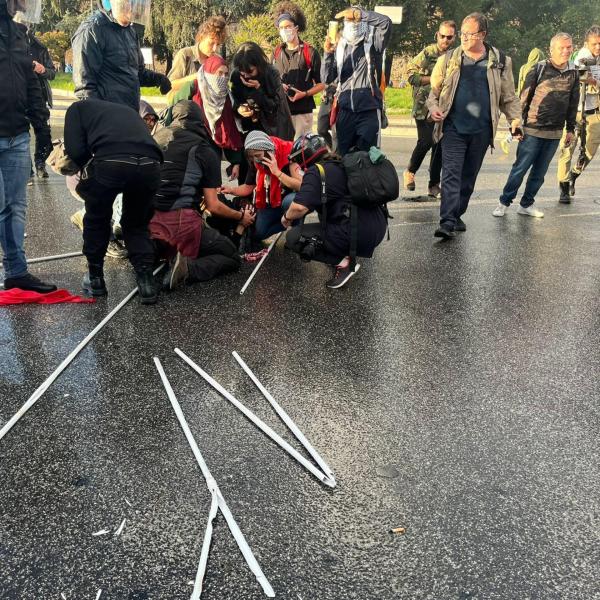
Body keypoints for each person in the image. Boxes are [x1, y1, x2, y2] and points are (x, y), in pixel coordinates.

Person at [427, 12, 521, 239]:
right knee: (450, 174)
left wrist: (515, 121)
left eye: (471, 34)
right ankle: (447, 221)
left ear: (483, 34)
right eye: (463, 33)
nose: (465, 38)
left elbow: (508, 97)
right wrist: (433, 108)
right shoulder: (448, 59)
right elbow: (434, 93)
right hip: (453, 128)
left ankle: (457, 213)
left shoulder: (500, 61)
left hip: (481, 131)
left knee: (468, 178)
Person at [64, 99, 164, 304]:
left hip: (112, 161)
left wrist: (90, 173)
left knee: (97, 218)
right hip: (151, 163)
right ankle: (146, 282)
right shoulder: (126, 110)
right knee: (137, 223)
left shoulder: (76, 110)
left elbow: (75, 151)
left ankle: (96, 279)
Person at [150, 100, 253, 289]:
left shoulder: (154, 138)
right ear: (201, 121)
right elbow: (213, 205)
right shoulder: (204, 149)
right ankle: (188, 268)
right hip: (181, 224)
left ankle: (153, 252)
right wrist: (241, 217)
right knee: (231, 256)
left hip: (144, 223)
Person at [1, 0, 56, 294]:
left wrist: (41, 126)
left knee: (15, 207)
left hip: (17, 134)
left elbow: (31, 82)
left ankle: (16, 271)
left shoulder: (18, 34)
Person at [283, 134, 387, 289]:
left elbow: (299, 207)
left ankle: (344, 264)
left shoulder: (316, 171)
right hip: (377, 227)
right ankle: (339, 252)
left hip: (357, 233)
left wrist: (286, 217)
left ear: (306, 156)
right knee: (324, 212)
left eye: (298, 159)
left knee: (293, 237)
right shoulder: (341, 162)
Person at [493, 33, 579, 219]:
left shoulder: (574, 72)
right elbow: (523, 98)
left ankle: (526, 204)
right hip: (532, 130)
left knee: (539, 174)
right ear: (551, 49)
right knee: (520, 169)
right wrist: (516, 125)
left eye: (569, 47)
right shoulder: (539, 69)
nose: (566, 51)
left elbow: (573, 102)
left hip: (555, 133)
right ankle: (504, 203)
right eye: (562, 47)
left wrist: (570, 129)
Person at [71, 0, 171, 113]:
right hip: (107, 117)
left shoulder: (129, 31)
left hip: (129, 112)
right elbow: (84, 87)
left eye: (134, 4)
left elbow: (136, 73)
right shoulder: (91, 31)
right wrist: (102, 117)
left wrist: (158, 79)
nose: (131, 9)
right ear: (110, 3)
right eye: (127, 3)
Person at [321, 6, 392, 155]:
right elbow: (326, 79)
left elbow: (386, 23)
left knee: (369, 159)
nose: (352, 23)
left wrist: (358, 14)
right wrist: (327, 54)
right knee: (343, 159)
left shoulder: (374, 43)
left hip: (368, 110)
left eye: (355, 20)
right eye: (348, 20)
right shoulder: (340, 48)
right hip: (345, 110)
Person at [165, 55, 244, 182]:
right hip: (190, 149)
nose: (223, 78)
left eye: (226, 74)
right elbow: (174, 112)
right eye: (219, 73)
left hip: (212, 153)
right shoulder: (193, 87)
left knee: (211, 189)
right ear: (209, 72)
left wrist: (236, 162)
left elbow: (229, 129)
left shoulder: (225, 96)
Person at [220, 130, 303, 243]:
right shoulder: (257, 160)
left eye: (258, 155)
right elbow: (248, 187)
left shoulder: (289, 153)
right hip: (272, 202)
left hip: (290, 199)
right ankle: (285, 222)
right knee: (258, 233)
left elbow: (301, 186)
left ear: (268, 149)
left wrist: (277, 172)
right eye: (252, 157)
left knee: (292, 201)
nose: (256, 159)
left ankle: (296, 229)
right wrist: (231, 190)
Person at [404, 20, 457, 197]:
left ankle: (434, 185)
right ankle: (410, 171)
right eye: (442, 36)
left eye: (449, 37)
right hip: (423, 106)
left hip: (444, 107)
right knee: (426, 141)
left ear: (454, 38)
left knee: (439, 145)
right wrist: (434, 79)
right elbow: (411, 76)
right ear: (437, 35)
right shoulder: (428, 53)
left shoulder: (456, 56)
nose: (445, 40)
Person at [557, 26, 600, 203]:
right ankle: (564, 187)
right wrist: (589, 78)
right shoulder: (580, 56)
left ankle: (574, 174)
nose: (598, 47)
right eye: (594, 43)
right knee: (567, 149)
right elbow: (579, 74)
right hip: (575, 112)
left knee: (590, 149)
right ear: (586, 43)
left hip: (594, 111)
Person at [271, 2, 325, 138]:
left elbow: (321, 84)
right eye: (281, 27)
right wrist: (278, 85)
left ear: (296, 27)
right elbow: (270, 79)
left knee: (300, 153)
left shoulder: (310, 52)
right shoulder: (276, 52)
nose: (285, 30)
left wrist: (305, 93)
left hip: (302, 112)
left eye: (288, 26)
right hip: (280, 112)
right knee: (282, 152)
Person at [13, 14, 54, 180]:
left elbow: (52, 73)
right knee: (21, 133)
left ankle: (40, 163)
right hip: (16, 96)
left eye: (26, 22)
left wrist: (43, 69)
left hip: (38, 96)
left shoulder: (39, 46)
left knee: (43, 131)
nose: (24, 25)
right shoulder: (8, 44)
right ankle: (27, 169)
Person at [231, 41, 295, 141]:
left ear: (259, 65)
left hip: (274, 129)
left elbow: (274, 106)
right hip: (250, 129)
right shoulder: (236, 75)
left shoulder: (271, 73)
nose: (246, 76)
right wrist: (239, 108)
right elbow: (234, 100)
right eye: (242, 72)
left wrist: (258, 89)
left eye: (250, 71)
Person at [499, 47, 546, 154]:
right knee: (526, 125)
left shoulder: (524, 67)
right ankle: (509, 140)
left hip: (521, 97)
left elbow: (520, 84)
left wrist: (519, 99)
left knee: (519, 122)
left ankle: (509, 139)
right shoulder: (537, 68)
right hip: (532, 100)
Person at [167, 16, 227, 83]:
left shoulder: (218, 59)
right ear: (201, 37)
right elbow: (170, 86)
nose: (215, 49)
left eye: (218, 44)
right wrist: (197, 76)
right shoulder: (184, 54)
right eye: (211, 43)